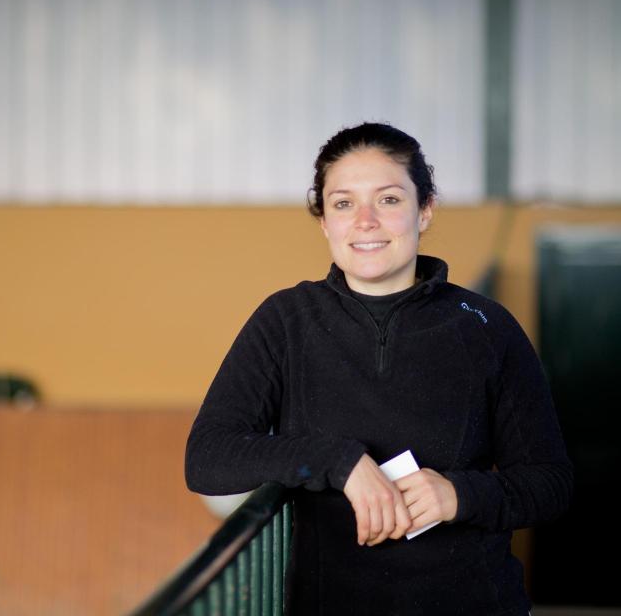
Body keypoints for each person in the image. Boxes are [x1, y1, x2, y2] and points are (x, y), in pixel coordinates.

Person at [185, 122, 572, 615]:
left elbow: (550, 482)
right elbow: (208, 458)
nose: (365, 220)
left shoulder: (485, 327)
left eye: (388, 199)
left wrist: (459, 494)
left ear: (424, 210)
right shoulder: (286, 321)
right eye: (343, 203)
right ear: (324, 220)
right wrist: (339, 463)